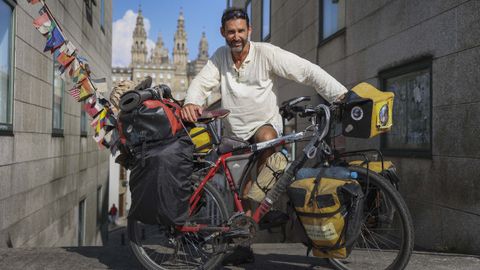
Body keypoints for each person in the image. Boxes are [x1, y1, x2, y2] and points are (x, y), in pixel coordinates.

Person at [181, 7, 348, 265]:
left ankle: (265, 206)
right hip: (235, 135)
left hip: (263, 127)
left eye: (240, 31)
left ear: (249, 30)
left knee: (266, 145)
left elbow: (306, 70)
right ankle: (243, 245)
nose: (236, 37)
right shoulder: (219, 57)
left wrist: (340, 95)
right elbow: (201, 84)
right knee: (240, 201)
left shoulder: (266, 53)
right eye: (230, 32)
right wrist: (192, 101)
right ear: (222, 33)